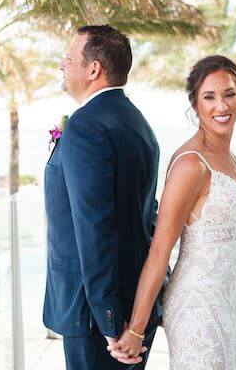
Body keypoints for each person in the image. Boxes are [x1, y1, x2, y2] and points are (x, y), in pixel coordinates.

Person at [109, 55, 236, 369]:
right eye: (209, 97)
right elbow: (160, 249)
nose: (222, 106)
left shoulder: (229, 158)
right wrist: (136, 327)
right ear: (195, 104)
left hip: (231, 304)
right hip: (197, 308)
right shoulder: (191, 164)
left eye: (229, 94)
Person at [42, 25, 163, 370]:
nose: (62, 66)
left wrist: (110, 322)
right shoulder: (137, 122)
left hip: (95, 313)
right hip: (135, 299)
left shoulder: (86, 125)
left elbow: (95, 227)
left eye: (68, 58)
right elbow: (145, 215)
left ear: (93, 69)